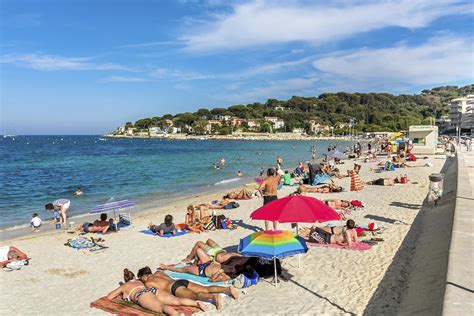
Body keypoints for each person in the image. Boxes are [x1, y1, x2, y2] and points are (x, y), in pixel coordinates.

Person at [138, 267, 230, 310]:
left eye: (141, 278)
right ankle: (227, 289)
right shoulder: (158, 272)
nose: (142, 280)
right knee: (205, 288)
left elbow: (159, 292)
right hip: (180, 281)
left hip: (174, 288)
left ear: (144, 276)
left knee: (194, 296)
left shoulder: (148, 282)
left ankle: (214, 297)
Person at [107, 275, 178, 315]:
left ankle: (175, 314)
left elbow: (109, 296)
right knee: (176, 300)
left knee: (160, 307)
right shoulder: (139, 281)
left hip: (141, 295)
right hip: (150, 290)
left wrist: (121, 290)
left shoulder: (125, 285)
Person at [160, 259, 230, 282]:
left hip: (201, 271)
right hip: (208, 264)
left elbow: (212, 280)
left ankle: (167, 268)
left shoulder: (223, 277)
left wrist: (218, 272)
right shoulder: (228, 271)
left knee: (184, 269)